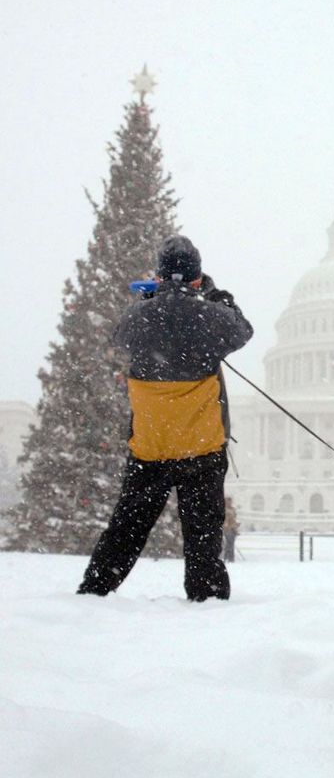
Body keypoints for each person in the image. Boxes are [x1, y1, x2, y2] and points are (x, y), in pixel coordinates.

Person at [77, 235, 253, 601]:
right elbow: (242, 330)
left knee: (126, 528)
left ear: (158, 276)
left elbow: (120, 335)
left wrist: (152, 300)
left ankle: (95, 590)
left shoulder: (138, 316)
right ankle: (206, 598)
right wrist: (214, 295)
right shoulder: (211, 315)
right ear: (197, 277)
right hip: (200, 446)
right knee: (203, 532)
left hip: (150, 445)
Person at [223, 496, 240, 562]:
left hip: (233, 529)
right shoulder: (224, 509)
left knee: (231, 544)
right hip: (227, 529)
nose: (229, 503)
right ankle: (227, 557)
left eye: (230, 501)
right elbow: (225, 520)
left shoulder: (233, 509)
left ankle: (230, 558)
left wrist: (236, 525)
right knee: (228, 544)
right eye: (228, 501)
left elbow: (234, 519)